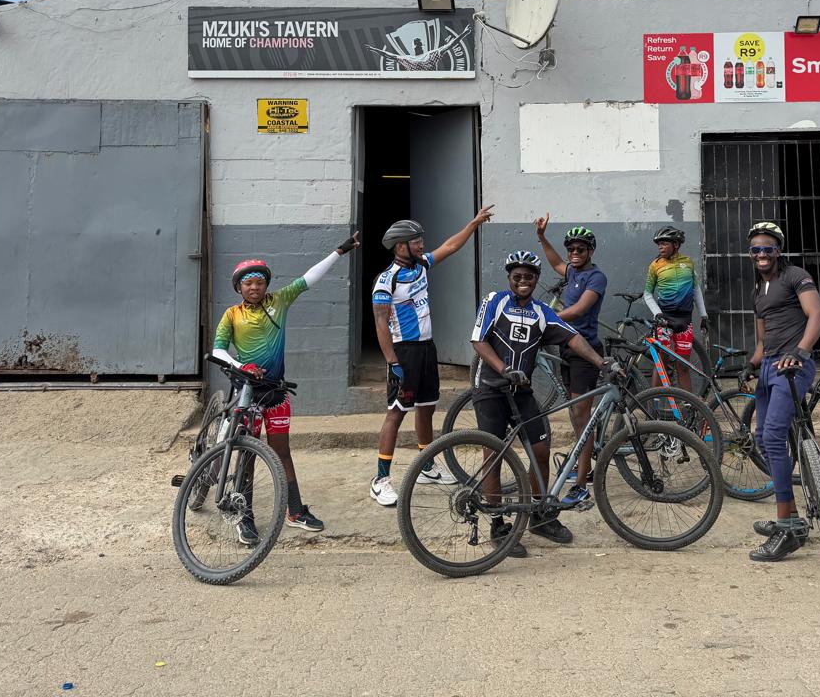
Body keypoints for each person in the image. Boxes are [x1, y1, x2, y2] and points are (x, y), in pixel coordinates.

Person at [211, 231, 360, 544]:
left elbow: (309, 278)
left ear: (267, 285)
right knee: (248, 455)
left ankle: (295, 510)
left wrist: (339, 251)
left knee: (282, 453)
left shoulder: (279, 300)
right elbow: (218, 349)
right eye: (248, 283)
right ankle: (244, 515)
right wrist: (241, 366)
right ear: (239, 287)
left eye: (259, 282)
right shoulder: (232, 314)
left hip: (276, 394)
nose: (254, 287)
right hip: (248, 395)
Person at [470, 251, 616, 555]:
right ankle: (498, 524)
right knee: (493, 454)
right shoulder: (495, 301)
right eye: (517, 276)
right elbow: (479, 341)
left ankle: (538, 515)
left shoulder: (541, 312)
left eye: (529, 276)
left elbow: (573, 338)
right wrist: (504, 369)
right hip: (491, 388)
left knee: (540, 449)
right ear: (509, 278)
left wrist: (601, 362)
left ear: (537, 279)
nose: (523, 281)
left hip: (521, 392)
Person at [369, 207, 494, 507]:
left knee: (426, 409)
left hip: (427, 349)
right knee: (396, 413)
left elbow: (449, 247)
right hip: (404, 353)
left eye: (421, 240)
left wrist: (473, 223)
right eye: (416, 241)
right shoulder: (387, 280)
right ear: (400, 246)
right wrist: (392, 362)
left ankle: (426, 466)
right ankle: (380, 480)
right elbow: (380, 324)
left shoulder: (421, 265)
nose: (421, 244)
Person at [743, 220, 820, 563]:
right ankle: (791, 516)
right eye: (755, 249)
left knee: (775, 436)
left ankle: (786, 527)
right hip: (768, 367)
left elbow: (817, 316)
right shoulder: (757, 291)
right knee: (763, 439)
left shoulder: (795, 276)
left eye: (768, 248)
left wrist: (801, 352)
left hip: (791, 366)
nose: (761, 254)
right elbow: (762, 339)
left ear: (778, 250)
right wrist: (750, 365)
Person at [534, 216, 607, 506]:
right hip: (567, 349)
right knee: (577, 417)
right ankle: (583, 467)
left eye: (580, 249)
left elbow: (578, 310)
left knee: (582, 419)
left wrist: (545, 317)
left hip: (584, 352)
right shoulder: (573, 272)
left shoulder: (596, 277)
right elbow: (555, 262)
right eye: (571, 249)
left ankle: (581, 487)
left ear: (591, 251)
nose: (574, 253)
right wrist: (542, 237)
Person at [642, 226, 709, 392]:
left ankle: (688, 405)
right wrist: (657, 314)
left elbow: (695, 289)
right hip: (664, 320)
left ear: (676, 245)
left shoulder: (688, 262)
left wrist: (703, 315)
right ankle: (653, 403)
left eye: (664, 243)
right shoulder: (655, 266)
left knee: (683, 365)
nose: (660, 247)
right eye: (659, 244)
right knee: (661, 364)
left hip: (684, 321)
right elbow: (647, 294)